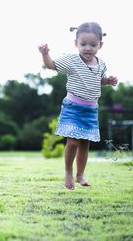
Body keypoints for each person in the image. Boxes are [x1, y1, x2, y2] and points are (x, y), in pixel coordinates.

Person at [38, 22, 118, 190]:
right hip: (73, 107)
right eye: (83, 44)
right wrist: (45, 54)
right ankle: (68, 172)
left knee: (84, 143)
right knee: (73, 142)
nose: (87, 48)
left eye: (93, 44)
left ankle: (80, 174)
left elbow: (97, 81)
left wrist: (108, 81)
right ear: (76, 43)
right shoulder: (72, 60)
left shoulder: (101, 64)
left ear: (100, 45)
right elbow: (51, 65)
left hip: (90, 109)